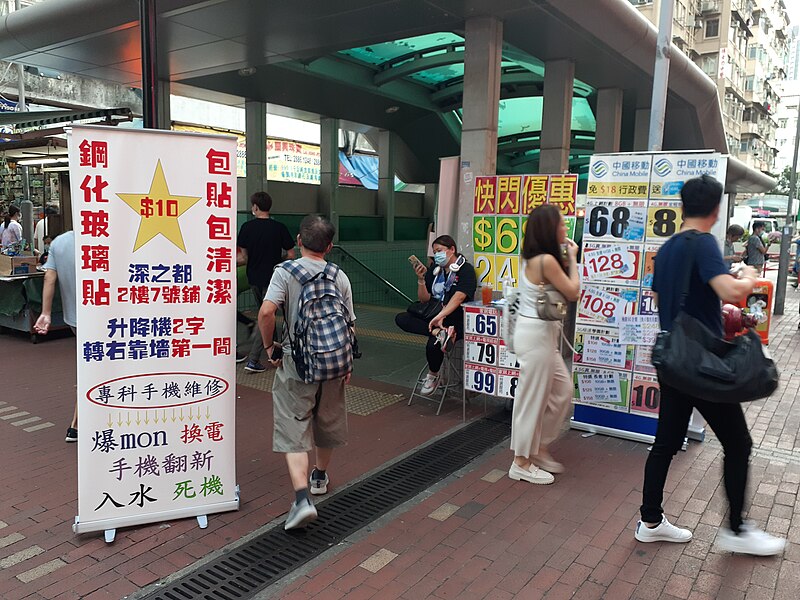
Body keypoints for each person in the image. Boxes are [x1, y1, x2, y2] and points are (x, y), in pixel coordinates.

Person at [635, 175, 784, 556]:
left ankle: (650, 521)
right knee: (738, 442)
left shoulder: (667, 249)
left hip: (672, 360)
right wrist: (749, 274)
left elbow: (657, 295)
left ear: (683, 206)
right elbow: (731, 292)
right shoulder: (703, 244)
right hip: (700, 366)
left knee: (665, 443)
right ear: (716, 210)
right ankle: (736, 529)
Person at [258, 215, 355, 530]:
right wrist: (347, 363)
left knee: (293, 425)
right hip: (334, 363)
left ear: (299, 241)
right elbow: (350, 324)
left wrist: (270, 347)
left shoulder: (285, 273)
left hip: (297, 363)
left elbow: (267, 312)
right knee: (327, 420)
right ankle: (319, 477)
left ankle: (301, 499)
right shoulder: (339, 276)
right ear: (329, 246)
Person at [508, 205, 579, 485]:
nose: (565, 229)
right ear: (550, 229)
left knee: (562, 390)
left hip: (541, 335)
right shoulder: (546, 260)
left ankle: (538, 449)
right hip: (536, 336)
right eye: (561, 225)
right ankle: (521, 462)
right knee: (531, 402)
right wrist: (572, 258)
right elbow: (573, 291)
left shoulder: (535, 257)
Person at [395, 235, 477, 395]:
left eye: (439, 251)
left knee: (433, 345)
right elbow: (424, 299)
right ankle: (439, 333)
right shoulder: (435, 270)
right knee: (402, 318)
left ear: (452, 249)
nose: (437, 254)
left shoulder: (466, 270)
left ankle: (433, 375)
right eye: (434, 252)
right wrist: (421, 279)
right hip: (434, 317)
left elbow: (459, 296)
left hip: (455, 319)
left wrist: (441, 315)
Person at [237, 191, 295, 373]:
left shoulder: (247, 228)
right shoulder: (279, 228)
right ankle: (266, 355)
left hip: (253, 278)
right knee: (267, 316)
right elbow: (291, 255)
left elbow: (244, 257)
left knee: (265, 314)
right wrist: (277, 260)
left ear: (255, 207)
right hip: (274, 279)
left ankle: (260, 357)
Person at [33, 230, 78, 443]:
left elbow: (49, 277)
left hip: (75, 320)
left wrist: (46, 313)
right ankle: (77, 424)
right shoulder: (109, 238)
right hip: (107, 321)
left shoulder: (60, 242)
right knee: (95, 370)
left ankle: (76, 425)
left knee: (87, 366)